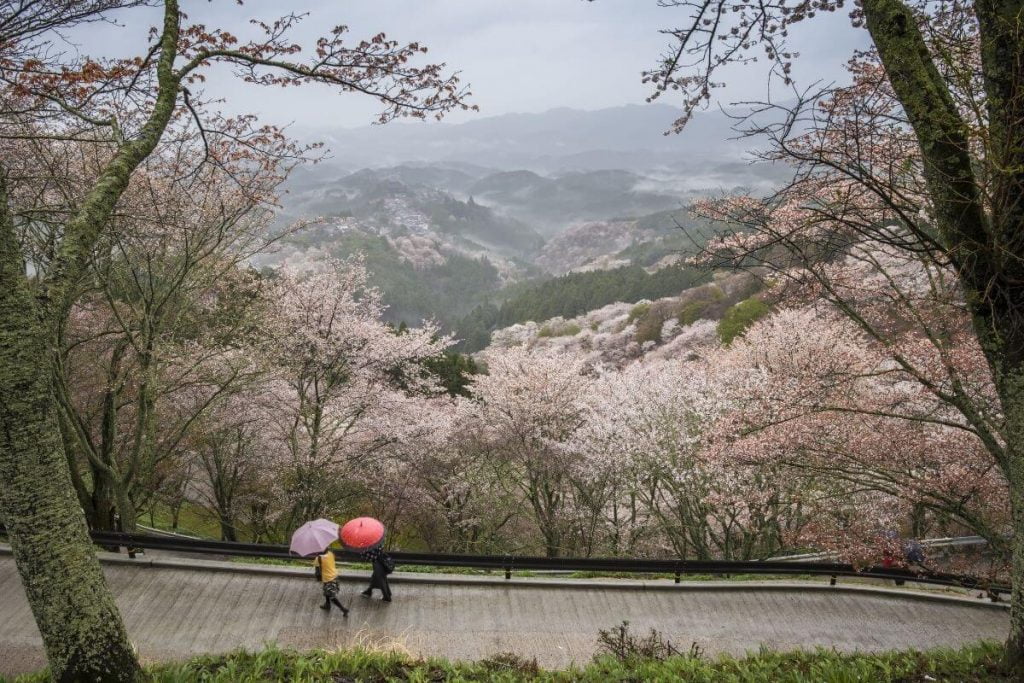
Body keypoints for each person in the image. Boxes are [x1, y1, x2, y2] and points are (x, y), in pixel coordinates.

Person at [314, 548, 348, 616]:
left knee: (331, 596)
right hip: (335, 576)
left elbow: (317, 573)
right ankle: (327, 604)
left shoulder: (318, 558)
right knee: (326, 591)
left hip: (328, 579)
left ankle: (343, 609)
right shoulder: (331, 553)